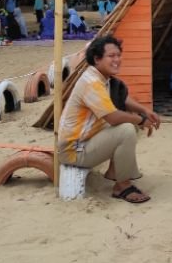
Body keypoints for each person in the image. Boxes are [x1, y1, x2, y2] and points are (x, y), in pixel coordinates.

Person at [57, 35, 160, 203]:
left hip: (86, 141)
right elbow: (113, 118)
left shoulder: (101, 78)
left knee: (129, 125)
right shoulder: (91, 83)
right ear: (97, 59)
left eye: (119, 55)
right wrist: (141, 120)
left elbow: (124, 99)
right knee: (126, 129)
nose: (117, 60)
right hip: (74, 151)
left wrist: (144, 111)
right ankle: (122, 186)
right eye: (111, 56)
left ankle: (115, 172)